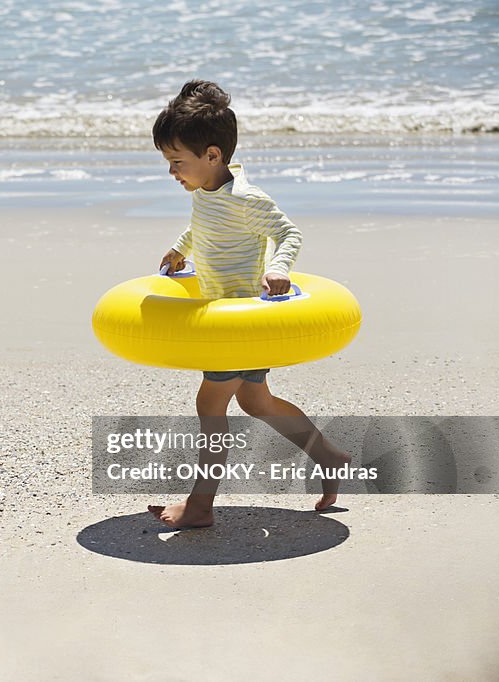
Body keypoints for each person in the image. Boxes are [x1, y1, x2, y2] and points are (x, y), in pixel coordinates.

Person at [147, 80, 351, 529]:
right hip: (225, 318)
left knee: (210, 406)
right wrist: (181, 247)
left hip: (238, 323)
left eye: (177, 162)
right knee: (257, 402)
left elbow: (289, 233)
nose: (172, 172)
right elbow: (204, 227)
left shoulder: (247, 198)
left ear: (212, 156)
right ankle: (330, 457)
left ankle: (200, 506)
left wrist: (279, 267)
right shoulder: (207, 192)